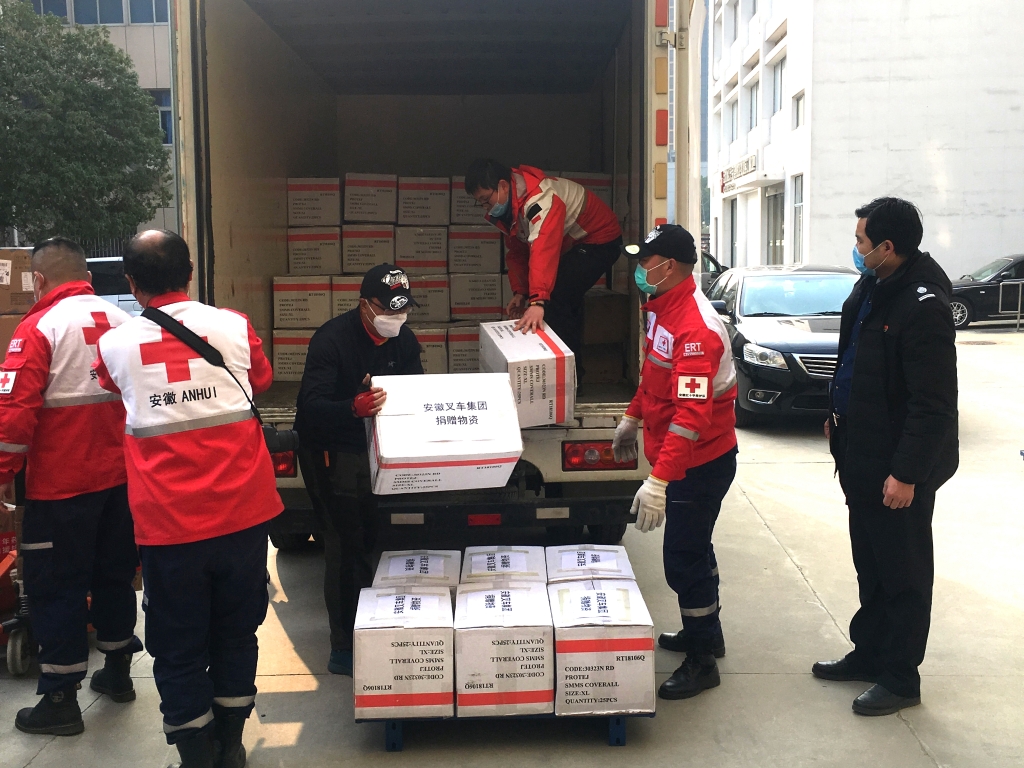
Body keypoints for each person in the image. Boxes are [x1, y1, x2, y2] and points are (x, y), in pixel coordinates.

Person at [94, 230, 282, 768]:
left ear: (131, 282)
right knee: (237, 632)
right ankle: (232, 743)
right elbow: (262, 379)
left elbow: (113, 387)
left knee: (177, 644)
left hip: (168, 526)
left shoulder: (115, 344)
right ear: (192, 273)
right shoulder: (234, 325)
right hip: (244, 515)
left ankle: (196, 754)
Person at [814, 198, 958, 716]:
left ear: (888, 247)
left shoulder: (923, 306)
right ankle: (870, 653)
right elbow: (855, 360)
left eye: (861, 241)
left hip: (896, 468)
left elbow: (933, 405)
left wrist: (907, 473)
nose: (856, 249)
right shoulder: (873, 285)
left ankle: (900, 677)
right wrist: (838, 414)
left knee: (903, 574)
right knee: (871, 566)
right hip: (860, 452)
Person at [0, 237, 139, 736]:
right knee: (114, 576)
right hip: (122, 482)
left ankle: (60, 700)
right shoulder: (126, 322)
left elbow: (12, 417)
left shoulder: (39, 327)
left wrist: (2, 475)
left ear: (39, 280)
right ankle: (118, 673)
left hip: (61, 489)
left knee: (57, 588)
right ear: (88, 277)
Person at [612, 224, 738, 700]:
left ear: (670, 266)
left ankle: (702, 662)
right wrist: (633, 416)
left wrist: (660, 481)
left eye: (646, 261)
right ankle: (707, 634)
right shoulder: (663, 309)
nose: (640, 269)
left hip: (699, 464)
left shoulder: (695, 329)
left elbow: (691, 417)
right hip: (686, 459)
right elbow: (654, 376)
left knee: (682, 561)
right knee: (696, 550)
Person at [294, 264, 423, 677]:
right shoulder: (331, 340)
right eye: (388, 310)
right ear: (365, 305)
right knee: (343, 545)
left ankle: (374, 626)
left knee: (372, 537)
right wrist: (353, 406)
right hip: (331, 449)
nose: (396, 319)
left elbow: (417, 391)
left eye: (403, 311)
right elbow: (310, 408)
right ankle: (343, 646)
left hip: (378, 450)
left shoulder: (404, 340)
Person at [464, 159, 622, 355]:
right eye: (479, 202)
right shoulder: (512, 208)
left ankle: (567, 368)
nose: (485, 207)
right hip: (574, 244)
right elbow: (518, 252)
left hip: (600, 239)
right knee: (557, 296)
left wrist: (537, 301)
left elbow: (543, 250)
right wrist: (521, 292)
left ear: (503, 186)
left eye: (485, 200)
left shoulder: (540, 201)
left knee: (555, 297)